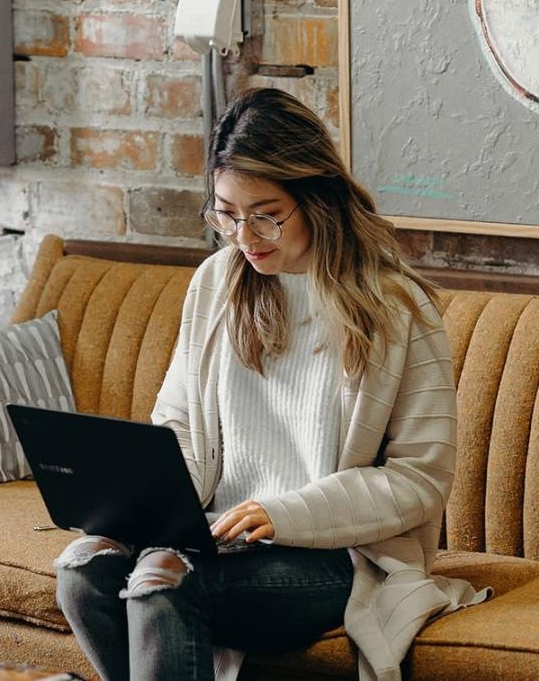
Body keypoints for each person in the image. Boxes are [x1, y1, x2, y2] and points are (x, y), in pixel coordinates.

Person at [51, 88, 482, 681]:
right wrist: (140, 504)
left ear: (318, 198)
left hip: (334, 556)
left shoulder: (395, 308)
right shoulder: (215, 284)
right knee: (82, 573)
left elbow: (420, 479)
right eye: (226, 213)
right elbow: (176, 424)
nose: (244, 236)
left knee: (162, 583)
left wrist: (284, 514)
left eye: (266, 214)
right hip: (212, 539)